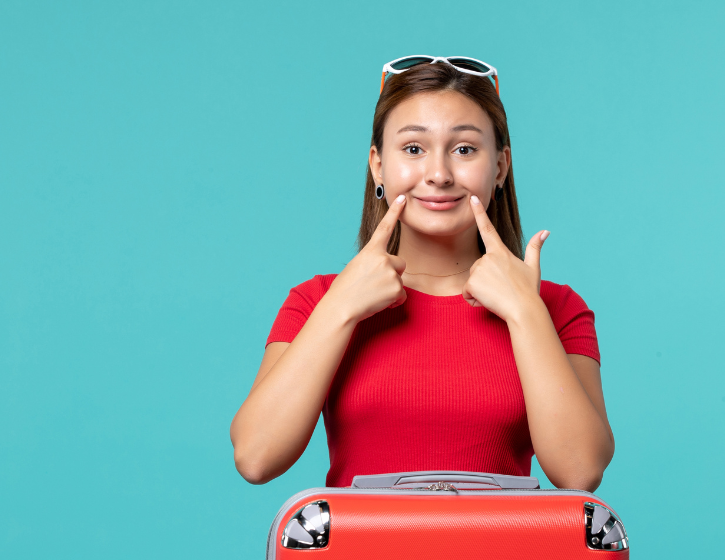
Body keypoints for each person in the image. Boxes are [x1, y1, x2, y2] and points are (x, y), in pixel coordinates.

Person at [230, 57, 614, 491]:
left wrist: (526, 313)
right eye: (413, 149)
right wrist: (340, 307)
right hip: (356, 559)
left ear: (501, 166)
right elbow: (255, 457)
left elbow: (580, 471)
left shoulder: (556, 308)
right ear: (377, 164)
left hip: (504, 558)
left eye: (464, 149)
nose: (438, 174)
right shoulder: (316, 300)